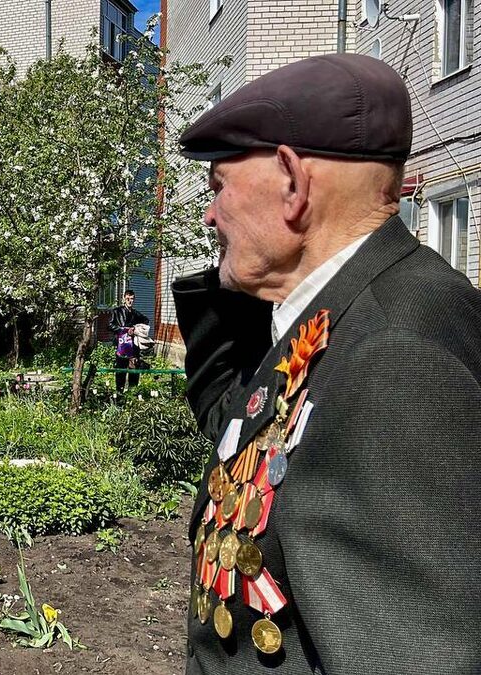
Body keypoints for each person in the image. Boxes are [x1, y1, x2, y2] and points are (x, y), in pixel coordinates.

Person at [173, 54, 481, 672]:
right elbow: (239, 423)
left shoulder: (395, 356)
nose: (209, 214)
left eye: (217, 187)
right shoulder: (342, 312)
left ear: (292, 181)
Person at [108, 289, 149, 391]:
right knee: (121, 371)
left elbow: (146, 320)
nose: (130, 301)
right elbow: (110, 325)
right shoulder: (117, 311)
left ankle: (132, 395)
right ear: (124, 299)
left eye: (132, 299)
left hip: (134, 348)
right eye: (128, 299)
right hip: (122, 346)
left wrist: (136, 328)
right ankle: (119, 395)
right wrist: (123, 330)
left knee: (134, 372)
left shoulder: (136, 313)